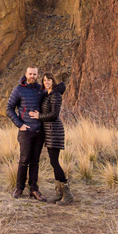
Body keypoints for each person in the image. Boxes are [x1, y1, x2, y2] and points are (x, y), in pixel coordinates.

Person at [29, 73, 73, 205]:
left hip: (55, 131)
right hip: (49, 131)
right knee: (53, 162)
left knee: (55, 162)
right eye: (44, 80)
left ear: (53, 81)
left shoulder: (56, 95)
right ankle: (59, 194)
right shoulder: (48, 94)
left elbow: (54, 115)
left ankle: (67, 195)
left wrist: (38, 117)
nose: (46, 82)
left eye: (48, 80)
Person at [6, 65, 47, 201]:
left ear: (37, 75)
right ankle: (19, 188)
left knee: (35, 162)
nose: (32, 77)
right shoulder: (18, 90)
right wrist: (20, 124)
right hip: (25, 132)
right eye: (30, 74)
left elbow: (49, 104)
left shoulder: (42, 90)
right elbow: (9, 108)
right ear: (26, 74)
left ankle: (34, 190)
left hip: (39, 131)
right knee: (24, 161)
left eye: (35, 74)